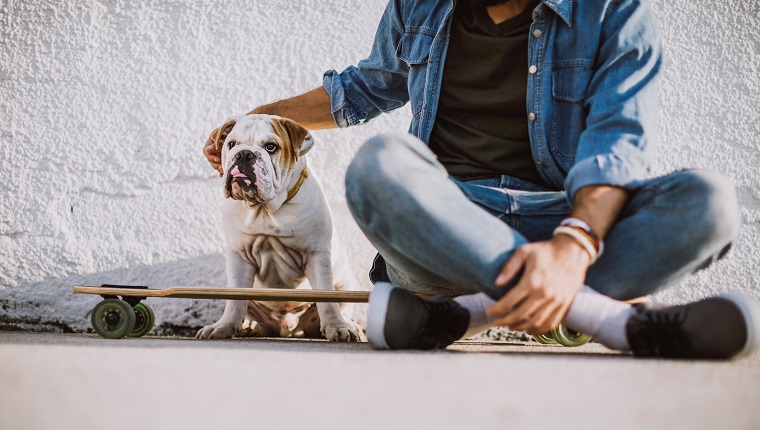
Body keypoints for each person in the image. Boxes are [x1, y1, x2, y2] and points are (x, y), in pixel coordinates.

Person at [204, 0, 759, 359]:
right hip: (448, 226)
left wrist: (571, 248)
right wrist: (249, 124)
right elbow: (357, 92)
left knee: (709, 204)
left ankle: (462, 315)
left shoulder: (614, 12)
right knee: (378, 166)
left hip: (566, 219)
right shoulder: (418, 7)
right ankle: (605, 319)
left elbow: (616, 146)